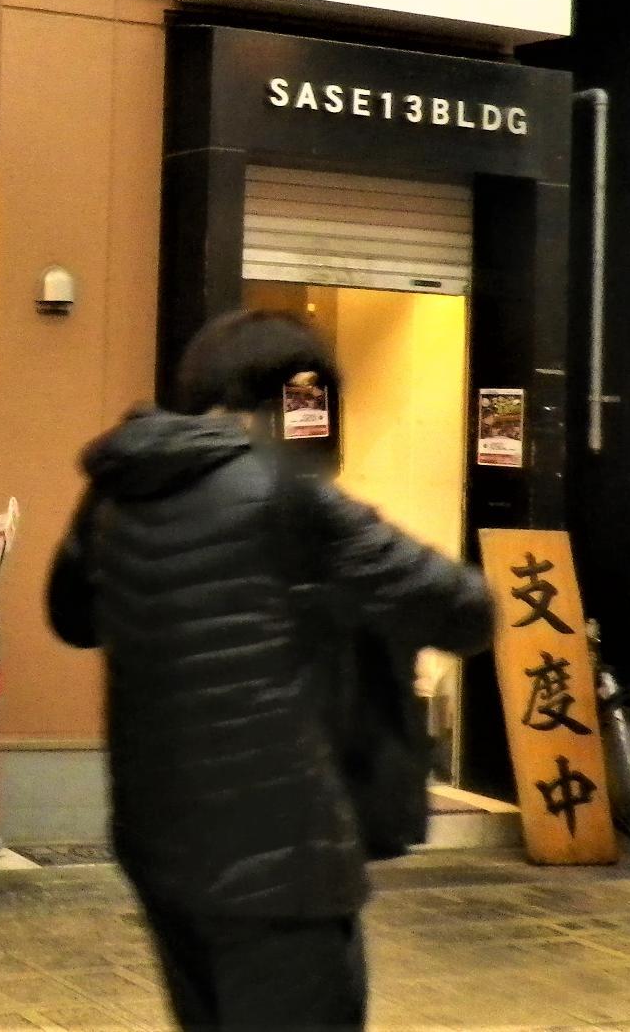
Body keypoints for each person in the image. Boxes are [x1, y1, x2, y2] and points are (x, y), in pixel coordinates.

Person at [49, 310, 492, 1032]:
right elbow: (464, 608)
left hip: (160, 848)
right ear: (293, 396)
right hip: (281, 862)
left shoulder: (118, 488)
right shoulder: (289, 495)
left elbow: (71, 617)